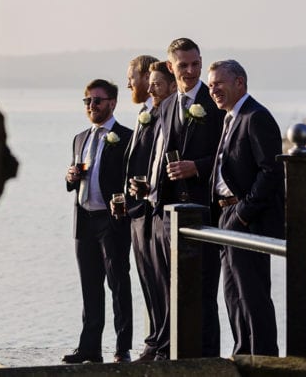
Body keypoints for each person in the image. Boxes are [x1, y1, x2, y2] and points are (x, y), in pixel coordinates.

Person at [142, 38, 223, 360]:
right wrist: (149, 191)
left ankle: (208, 359)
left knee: (203, 291)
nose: (190, 71)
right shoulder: (168, 103)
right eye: (183, 66)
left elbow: (224, 154)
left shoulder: (213, 101)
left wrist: (196, 167)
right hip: (167, 212)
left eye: (195, 64)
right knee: (172, 289)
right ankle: (176, 354)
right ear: (170, 67)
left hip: (202, 211)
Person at [206, 60, 283, 356]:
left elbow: (271, 171)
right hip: (225, 215)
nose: (213, 90)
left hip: (246, 218)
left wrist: (243, 213)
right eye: (210, 85)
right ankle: (242, 353)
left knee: (252, 294)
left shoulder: (256, 117)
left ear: (240, 83)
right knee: (232, 293)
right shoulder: (229, 117)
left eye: (218, 84)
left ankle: (263, 358)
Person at [63, 79, 134, 364]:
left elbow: (132, 181)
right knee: (90, 286)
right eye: (87, 101)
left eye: (97, 101)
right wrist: (70, 178)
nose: (92, 106)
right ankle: (89, 348)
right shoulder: (80, 138)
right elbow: (74, 179)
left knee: (118, 285)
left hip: (111, 220)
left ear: (112, 103)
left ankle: (122, 348)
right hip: (84, 221)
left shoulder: (126, 137)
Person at [121, 56, 164, 361]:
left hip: (152, 209)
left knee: (159, 280)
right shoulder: (143, 112)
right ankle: (154, 341)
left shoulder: (162, 112)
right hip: (136, 208)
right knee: (146, 279)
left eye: (131, 77)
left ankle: (161, 344)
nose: (129, 84)